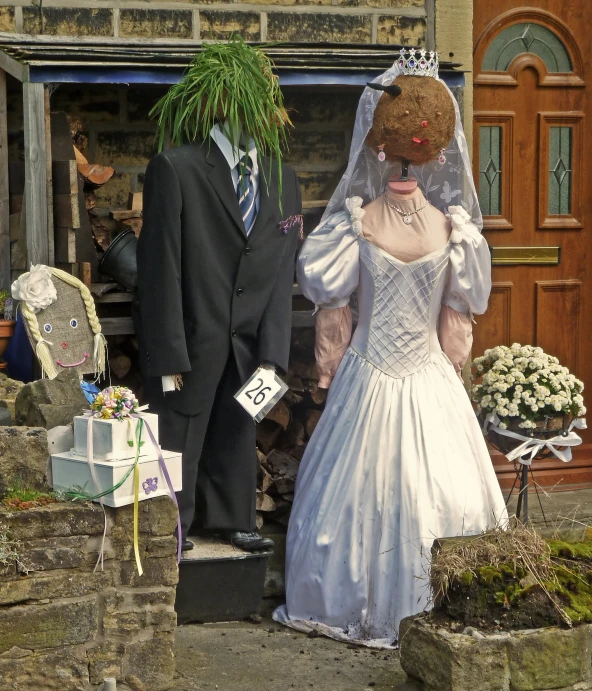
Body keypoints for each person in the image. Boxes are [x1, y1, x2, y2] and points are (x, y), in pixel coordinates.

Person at [274, 49, 507, 647]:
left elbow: (334, 314)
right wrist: (454, 363)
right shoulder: (454, 231)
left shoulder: (360, 223)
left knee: (352, 495)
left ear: (382, 145)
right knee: (441, 490)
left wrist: (327, 373)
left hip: (369, 374)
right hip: (429, 378)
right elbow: (456, 322)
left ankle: (363, 599)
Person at [134, 38, 302, 553]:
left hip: (253, 341)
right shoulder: (177, 168)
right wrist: (166, 353)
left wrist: (274, 355)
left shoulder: (283, 181)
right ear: (224, 103)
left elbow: (278, 273)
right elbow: (158, 269)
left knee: (238, 427)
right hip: (192, 338)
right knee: (178, 434)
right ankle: (174, 524)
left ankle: (232, 516)